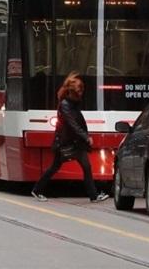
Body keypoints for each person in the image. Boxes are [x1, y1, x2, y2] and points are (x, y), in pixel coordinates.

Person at [31, 72, 109, 203]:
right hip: (65, 143)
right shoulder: (65, 105)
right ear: (72, 92)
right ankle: (37, 190)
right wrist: (86, 137)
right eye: (79, 91)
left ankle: (93, 195)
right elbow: (73, 124)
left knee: (85, 166)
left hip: (72, 142)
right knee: (56, 167)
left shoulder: (71, 103)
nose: (81, 94)